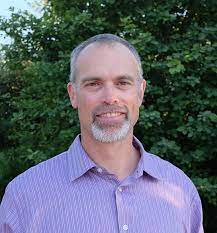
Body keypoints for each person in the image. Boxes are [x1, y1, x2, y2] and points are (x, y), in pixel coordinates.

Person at [0, 34, 204, 233]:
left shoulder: (180, 189)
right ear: (73, 95)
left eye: (122, 83)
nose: (110, 97)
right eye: (94, 84)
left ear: (140, 92)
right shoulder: (24, 195)